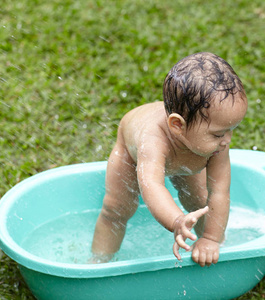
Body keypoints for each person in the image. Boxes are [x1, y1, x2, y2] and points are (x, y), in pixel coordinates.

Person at [91, 52, 248, 267]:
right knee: (116, 209)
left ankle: (209, 245)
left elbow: (219, 191)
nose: (227, 141)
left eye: (231, 130)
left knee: (200, 202)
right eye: (219, 134)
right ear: (177, 126)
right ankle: (99, 261)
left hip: (187, 152)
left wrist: (212, 239)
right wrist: (176, 221)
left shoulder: (213, 143)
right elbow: (152, 185)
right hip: (131, 154)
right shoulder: (153, 140)